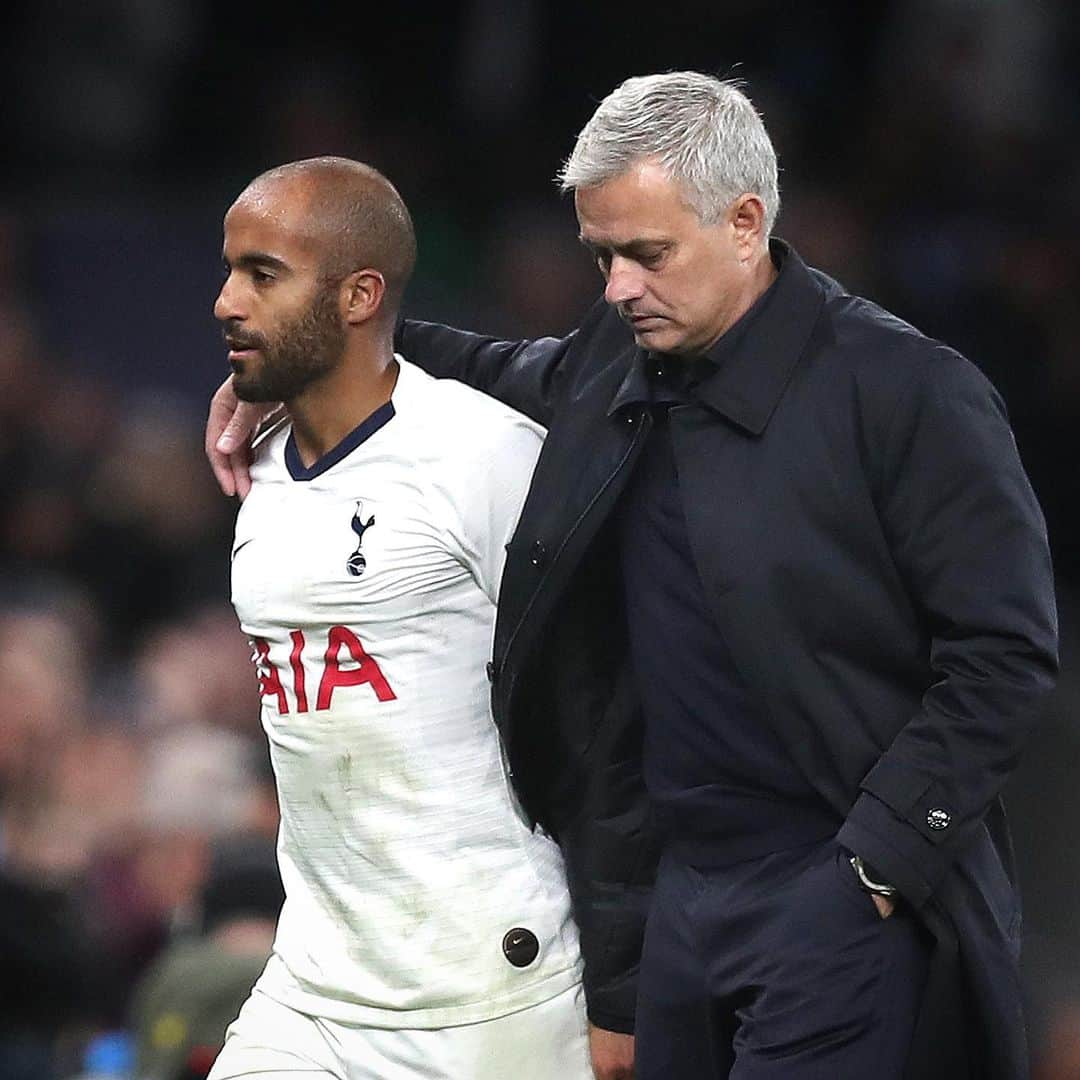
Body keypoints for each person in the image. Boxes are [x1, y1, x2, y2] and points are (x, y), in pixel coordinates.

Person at [207, 75, 1059, 1080]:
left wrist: (875, 864)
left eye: (646, 254)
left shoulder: (909, 391)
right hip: (679, 900)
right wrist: (300, 371)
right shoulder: (623, 357)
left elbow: (1004, 659)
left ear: (746, 223)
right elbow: (496, 366)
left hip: (831, 880)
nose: (615, 286)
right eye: (602, 254)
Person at [203, 156, 632, 1080]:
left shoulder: (485, 458)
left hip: (492, 995)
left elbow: (603, 726)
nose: (227, 302)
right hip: (313, 986)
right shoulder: (260, 469)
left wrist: (627, 981)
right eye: (232, 270)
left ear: (360, 294)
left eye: (262, 275)